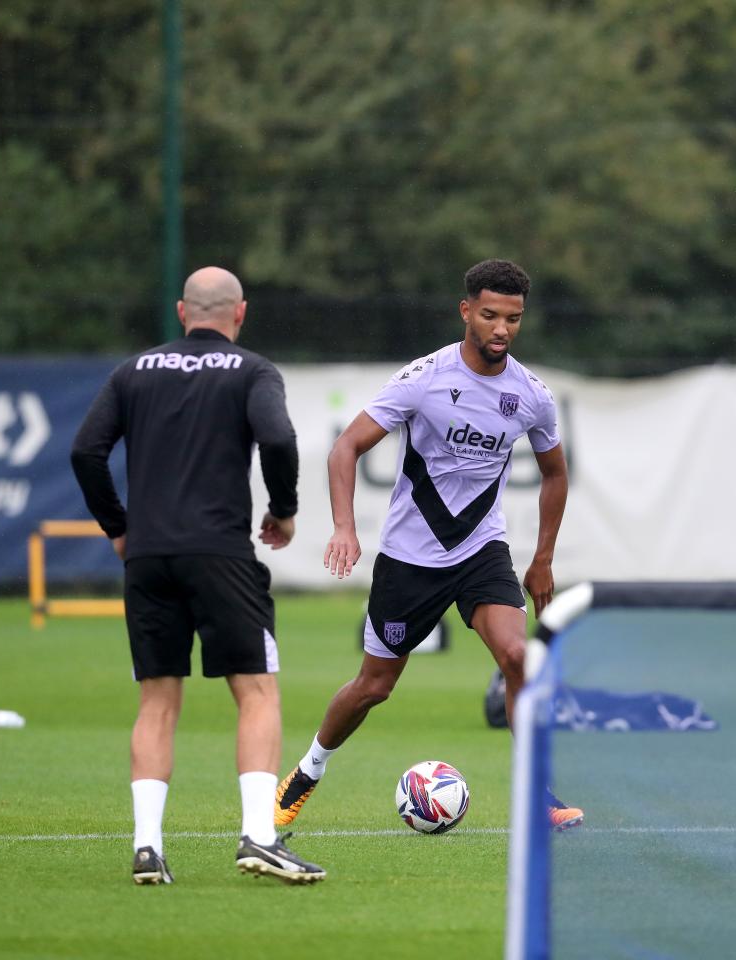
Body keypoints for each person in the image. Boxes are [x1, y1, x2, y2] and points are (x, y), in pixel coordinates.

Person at [274, 258, 583, 831]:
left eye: (513, 319)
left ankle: (538, 794)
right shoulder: (424, 378)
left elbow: (555, 474)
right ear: (466, 310)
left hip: (481, 550)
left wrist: (542, 559)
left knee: (517, 658)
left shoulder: (532, 396)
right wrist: (345, 525)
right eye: (490, 314)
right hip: (409, 558)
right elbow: (346, 448)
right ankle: (309, 770)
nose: (501, 329)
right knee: (374, 686)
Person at [70, 266, 325, 885]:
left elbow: (86, 451)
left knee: (157, 700)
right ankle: (260, 837)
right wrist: (284, 511)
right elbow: (279, 438)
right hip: (220, 553)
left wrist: (118, 527)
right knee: (256, 691)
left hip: (149, 557)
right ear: (240, 315)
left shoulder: (133, 371)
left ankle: (147, 847)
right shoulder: (252, 370)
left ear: (183, 312)